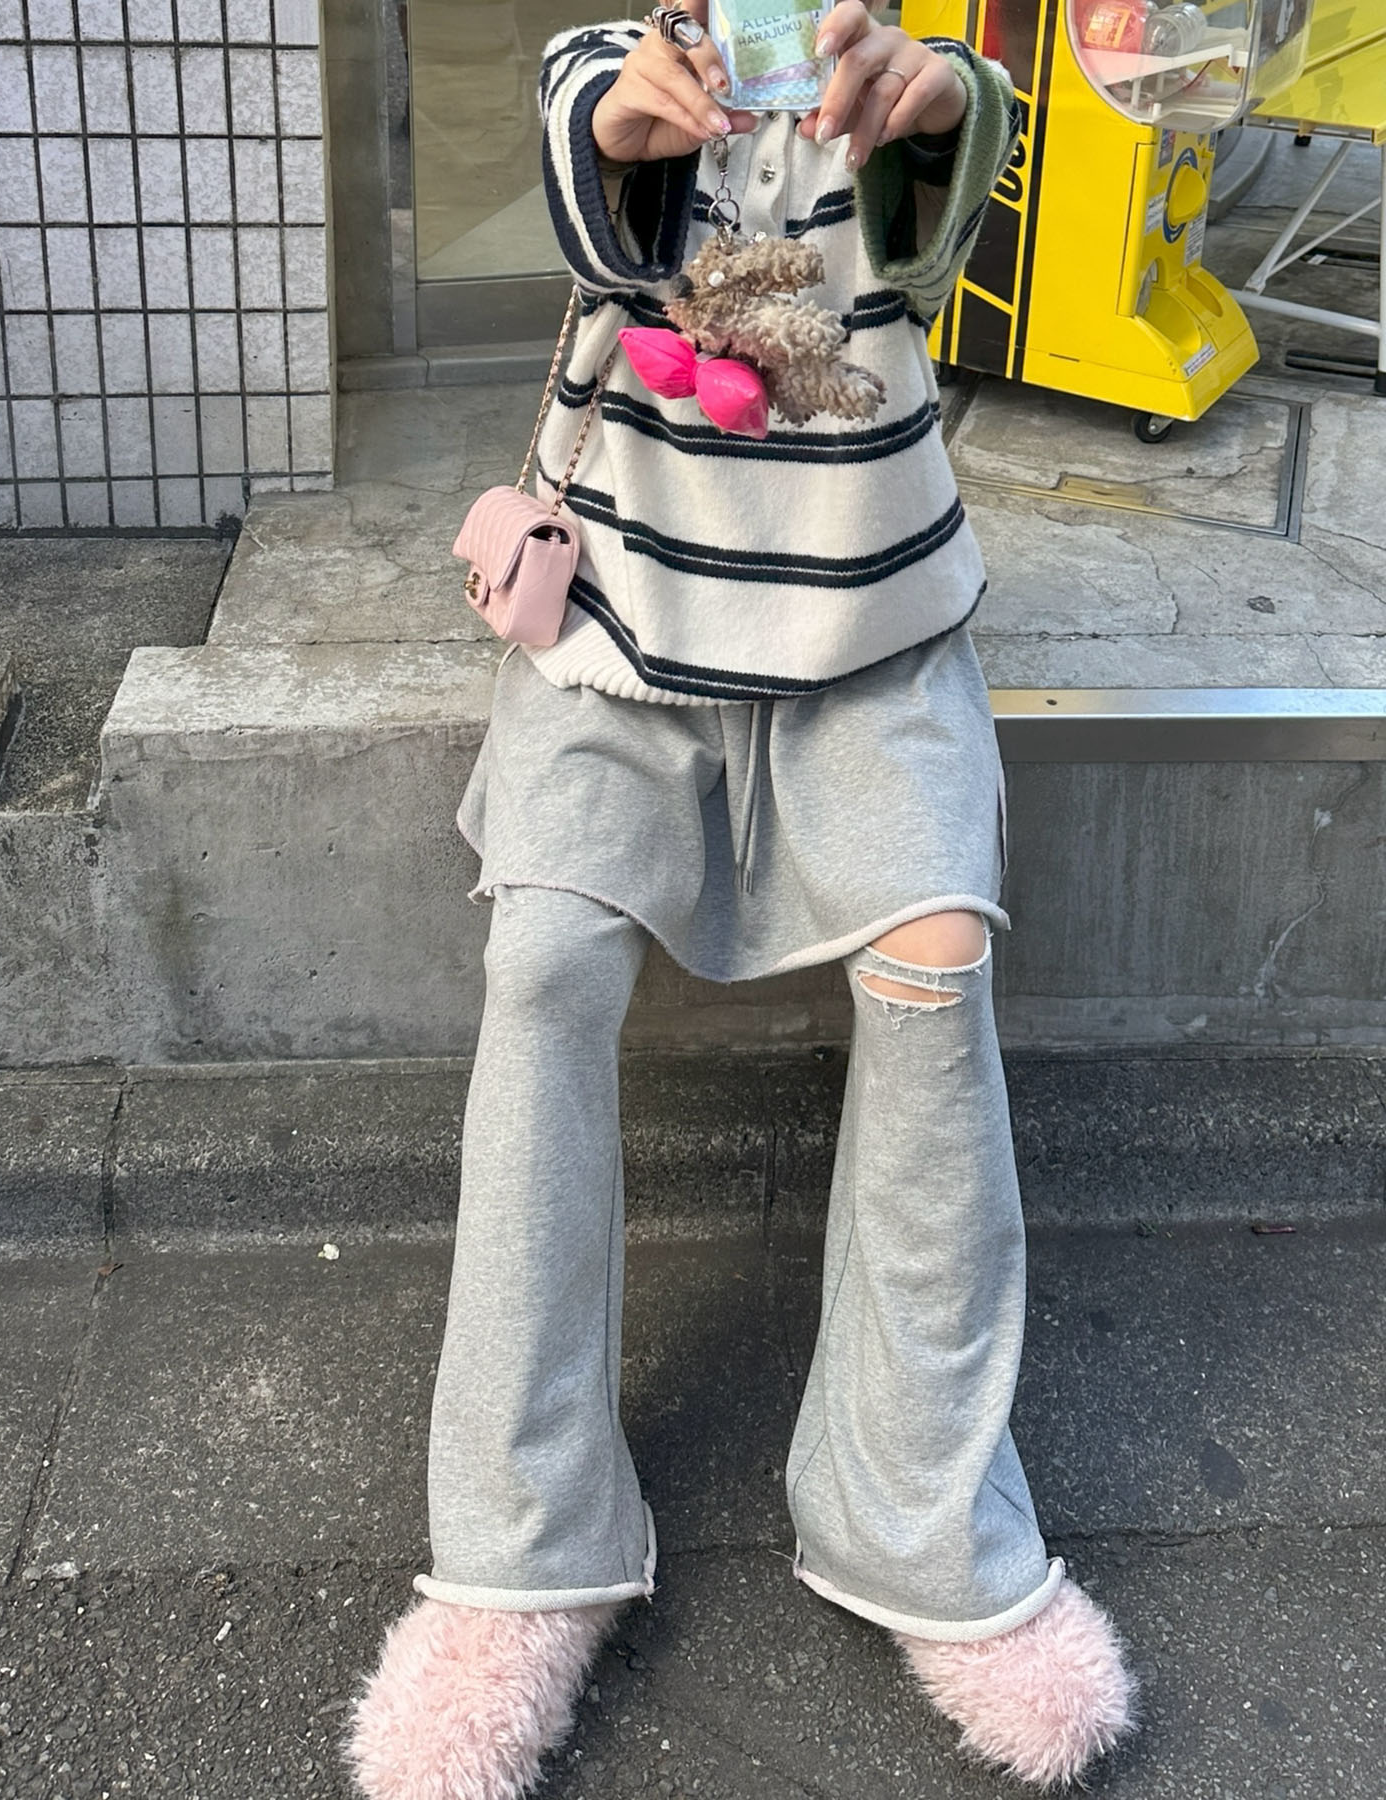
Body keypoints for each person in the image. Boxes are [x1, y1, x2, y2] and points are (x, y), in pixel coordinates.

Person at [345, 4, 1138, 1795]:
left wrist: (933, 111)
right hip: (621, 636)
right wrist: (634, 122)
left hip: (876, 642)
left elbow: (949, 208)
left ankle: (919, 1519)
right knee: (545, 961)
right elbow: (592, 145)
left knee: (935, 966)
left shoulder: (912, 68)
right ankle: (519, 1551)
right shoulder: (613, 58)